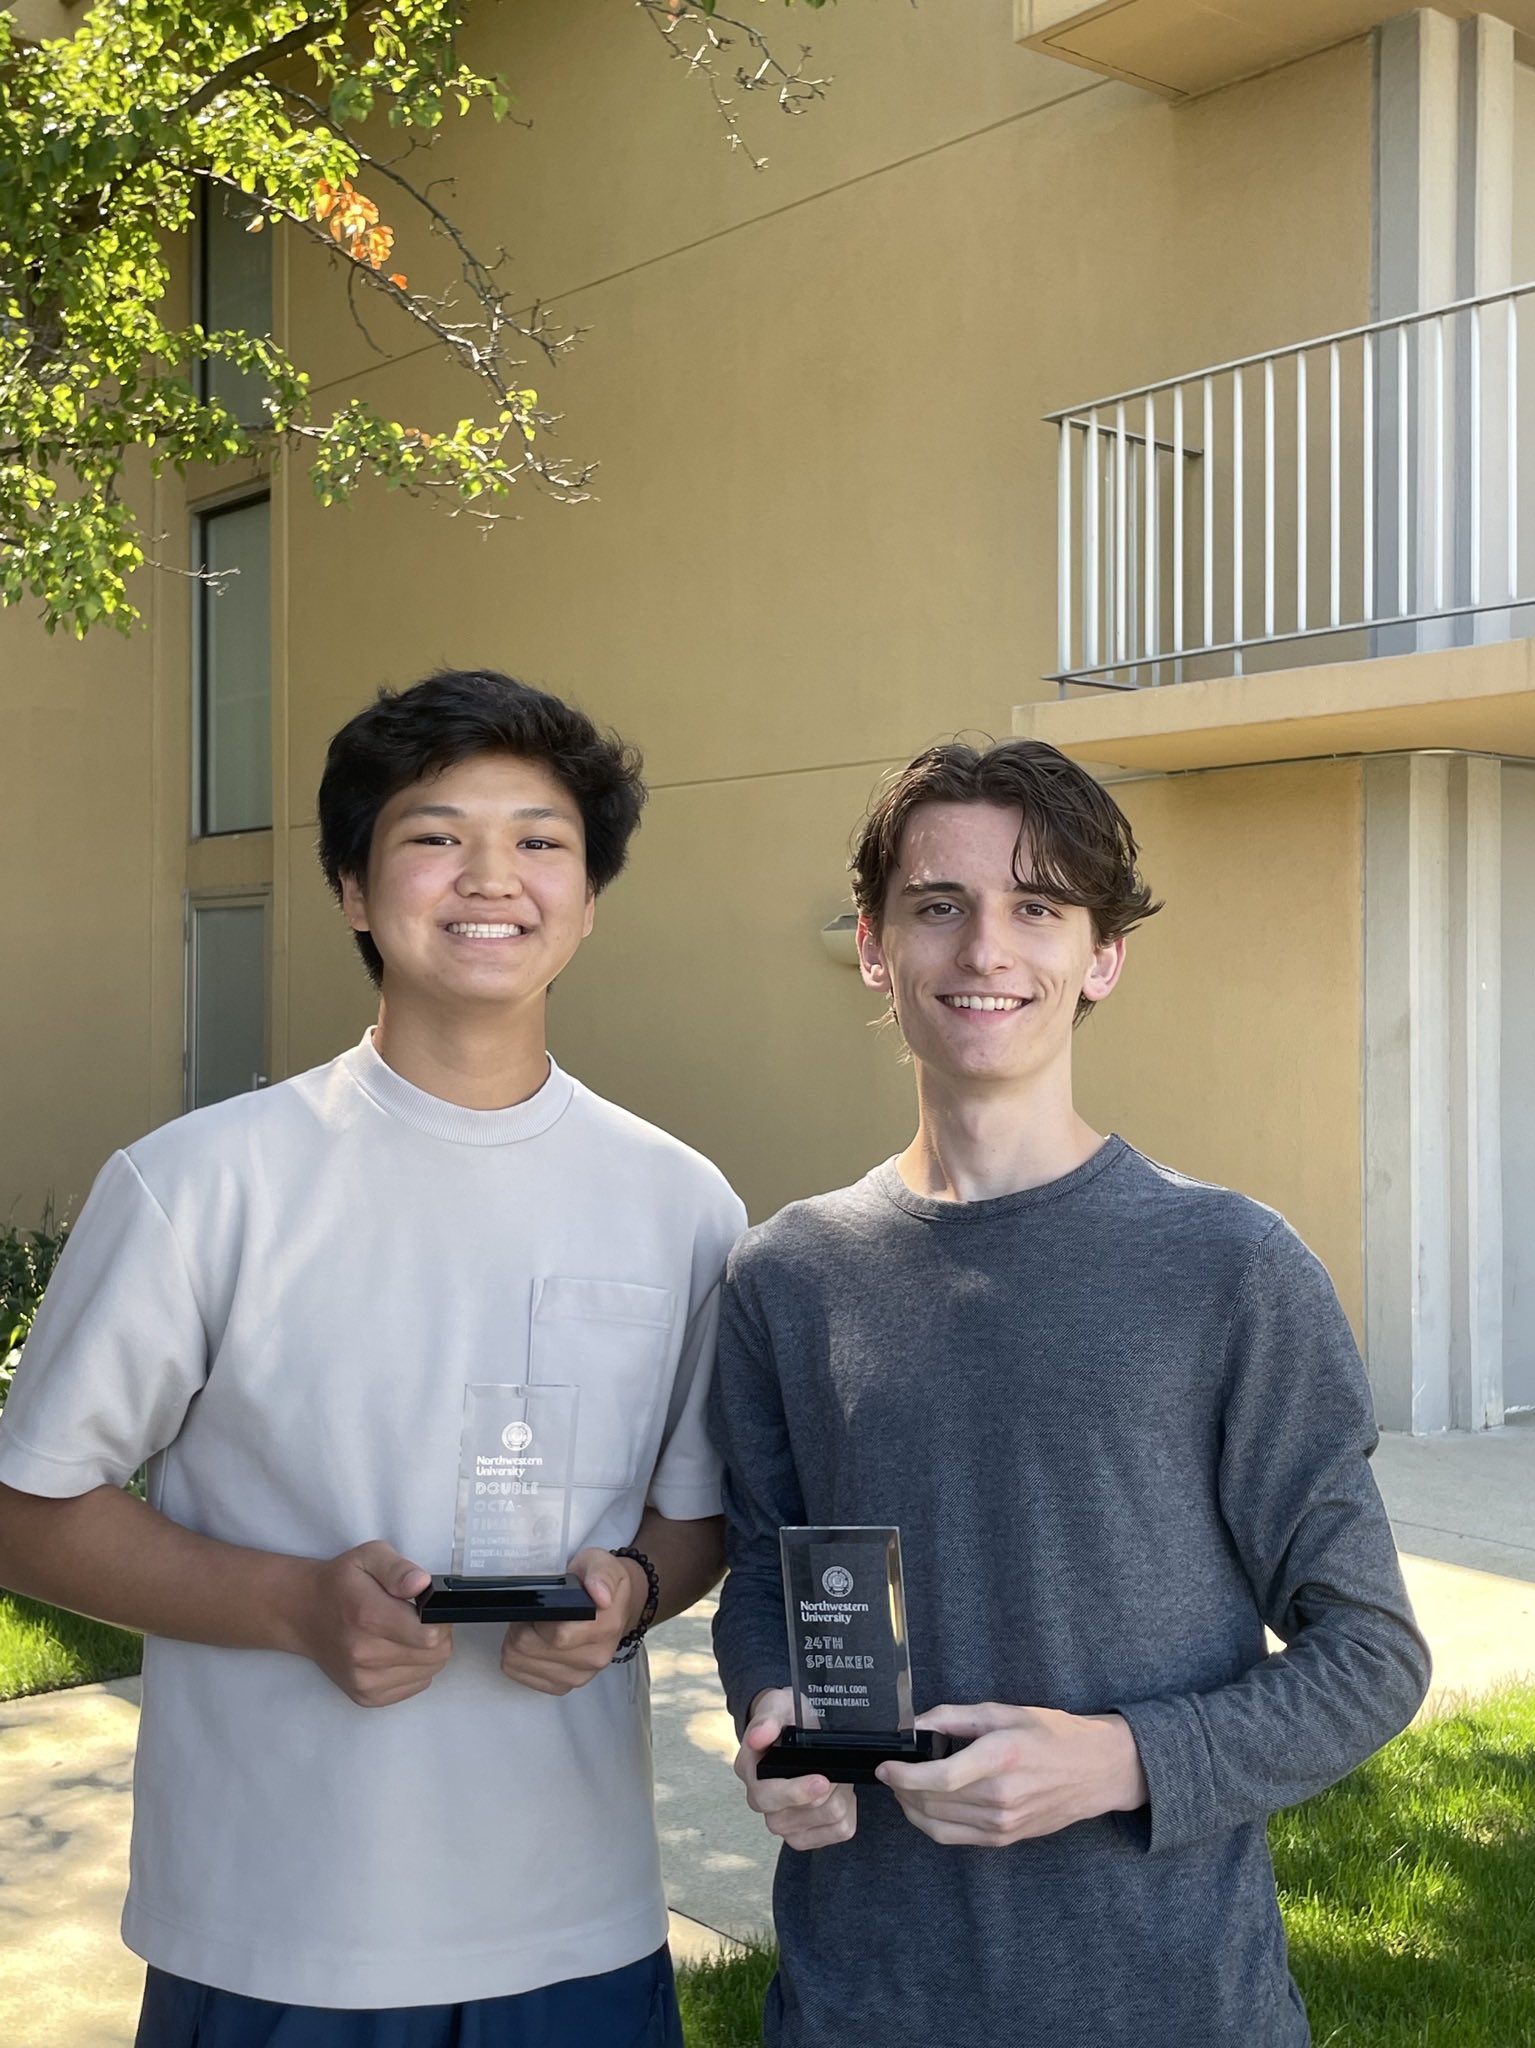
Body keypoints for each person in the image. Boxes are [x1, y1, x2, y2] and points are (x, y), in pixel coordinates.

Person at [0, 669, 745, 2047]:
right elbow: (29, 1512)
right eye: (433, 834)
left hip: (573, 1923)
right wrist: (292, 1606)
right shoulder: (203, 1184)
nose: (490, 876)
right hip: (276, 1924)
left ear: (587, 900)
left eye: (540, 840)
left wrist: (630, 1590)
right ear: (353, 888)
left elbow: (693, 1521)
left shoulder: (681, 1201)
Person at [709, 737, 1431, 2048]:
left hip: (1168, 2006)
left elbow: (1370, 1656)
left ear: (1102, 956)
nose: (987, 949)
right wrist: (773, 1718)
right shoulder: (787, 1275)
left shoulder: (1232, 1269)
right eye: (940, 906)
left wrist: (1117, 1762)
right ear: (875, 947)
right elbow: (767, 1574)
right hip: (860, 2005)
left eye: (1037, 907)